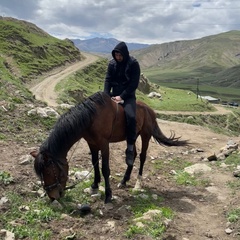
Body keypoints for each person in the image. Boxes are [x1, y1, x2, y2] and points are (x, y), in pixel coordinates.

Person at [104, 41, 141, 166]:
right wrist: (106, 94)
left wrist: (122, 97)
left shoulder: (134, 64)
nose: (118, 57)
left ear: (124, 54)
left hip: (128, 96)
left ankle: (130, 147)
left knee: (131, 116)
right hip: (113, 95)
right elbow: (108, 79)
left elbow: (134, 84)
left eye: (120, 55)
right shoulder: (112, 64)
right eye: (116, 55)